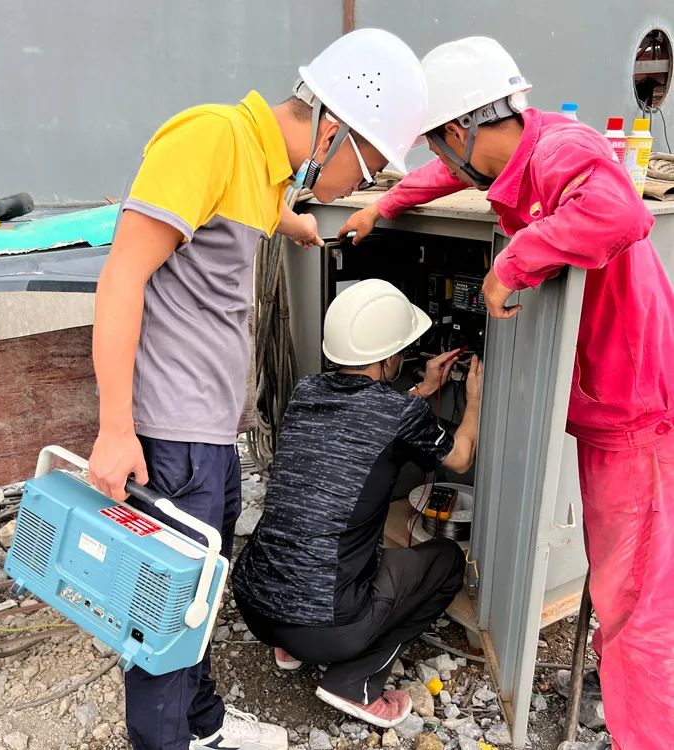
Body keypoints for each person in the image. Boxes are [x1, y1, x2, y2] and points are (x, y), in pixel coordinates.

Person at [87, 29, 429, 750]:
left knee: (198, 599)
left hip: (211, 434)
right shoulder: (210, 138)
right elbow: (122, 277)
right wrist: (116, 429)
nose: (358, 187)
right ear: (333, 133)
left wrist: (293, 225)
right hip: (172, 436)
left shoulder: (262, 163)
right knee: (164, 614)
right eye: (367, 168)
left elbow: (241, 208)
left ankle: (203, 724)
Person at [339, 37, 674, 750]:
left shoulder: (564, 151)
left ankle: (649, 732)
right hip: (606, 397)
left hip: (635, 405)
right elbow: (443, 175)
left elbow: (622, 212)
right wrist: (385, 205)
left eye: (437, 138)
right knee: (623, 575)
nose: (439, 154)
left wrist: (511, 262)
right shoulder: (522, 149)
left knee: (638, 594)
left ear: (461, 128)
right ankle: (624, 688)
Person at [232, 279, 482, 728]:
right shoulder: (399, 413)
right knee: (446, 560)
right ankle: (355, 682)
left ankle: (288, 646)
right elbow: (460, 458)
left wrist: (423, 390)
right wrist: (475, 403)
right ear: (389, 358)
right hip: (326, 627)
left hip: (254, 603)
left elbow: (367, 422)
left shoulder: (306, 391)